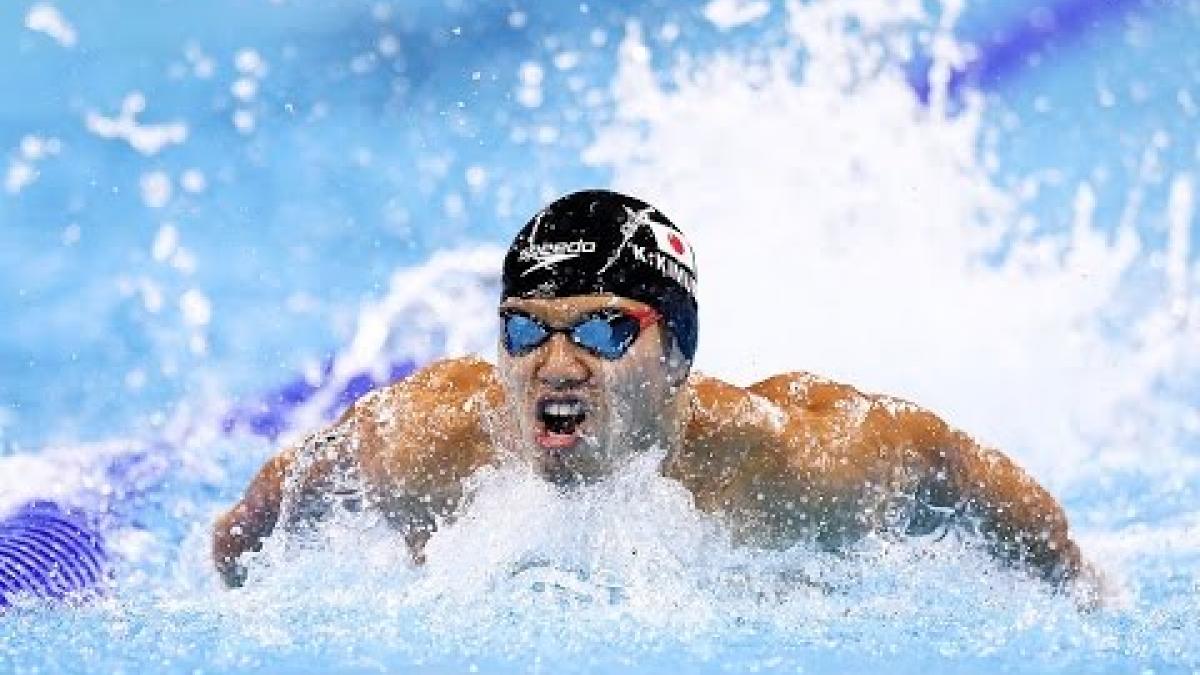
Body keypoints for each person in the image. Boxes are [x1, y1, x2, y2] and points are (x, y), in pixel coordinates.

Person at [213, 189, 1093, 596]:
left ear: (676, 352)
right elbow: (259, 518)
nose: (555, 364)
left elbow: (955, 466)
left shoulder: (794, 461)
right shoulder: (426, 442)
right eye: (526, 328)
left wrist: (1081, 587)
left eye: (600, 329)